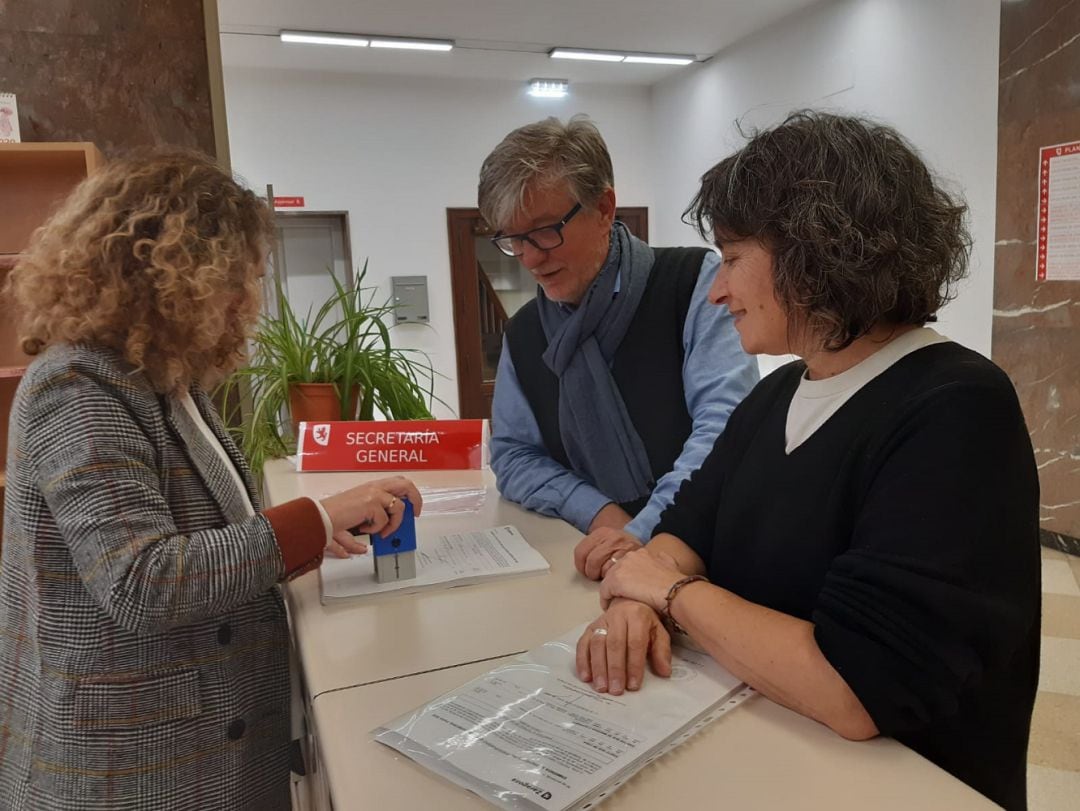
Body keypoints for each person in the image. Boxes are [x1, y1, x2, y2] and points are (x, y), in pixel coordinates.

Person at [574, 112, 1040, 810]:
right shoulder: (778, 395)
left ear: (813, 252)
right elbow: (687, 527)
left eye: (731, 259)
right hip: (773, 759)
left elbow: (856, 689)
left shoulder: (956, 407)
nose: (716, 291)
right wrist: (643, 591)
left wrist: (667, 595)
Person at [0, 148, 422, 810]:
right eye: (237, 280)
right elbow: (142, 580)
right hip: (128, 768)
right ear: (168, 276)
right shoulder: (77, 384)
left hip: (203, 743)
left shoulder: (166, 380)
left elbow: (217, 535)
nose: (247, 302)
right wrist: (312, 518)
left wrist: (316, 535)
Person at [479, 116, 758, 558]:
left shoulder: (692, 284)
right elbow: (513, 456)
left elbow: (724, 429)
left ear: (604, 209)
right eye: (515, 239)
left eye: (546, 231)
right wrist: (600, 513)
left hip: (705, 549)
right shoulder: (525, 332)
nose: (530, 258)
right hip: (592, 552)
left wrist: (642, 533)